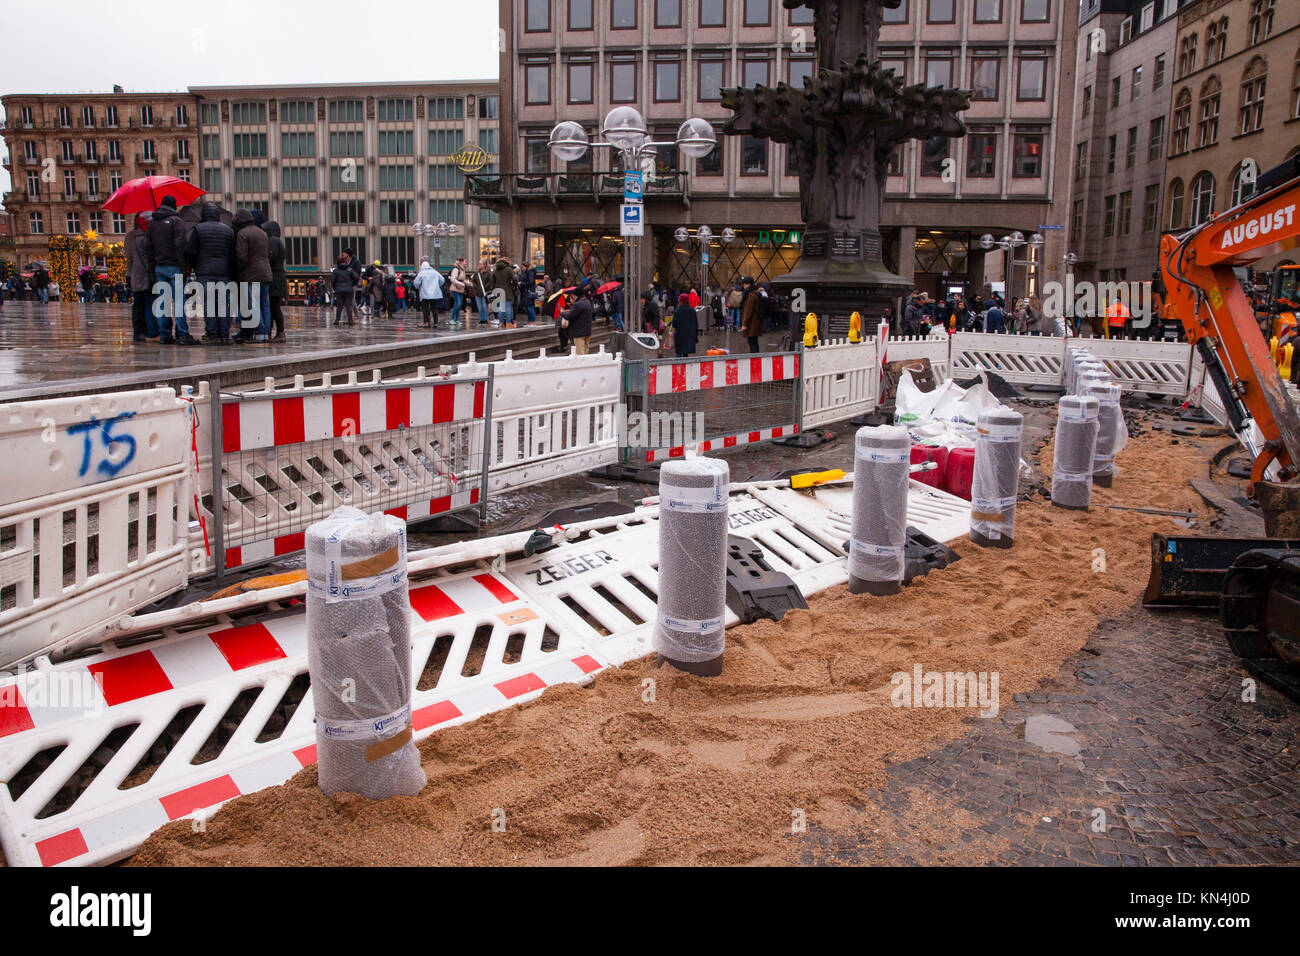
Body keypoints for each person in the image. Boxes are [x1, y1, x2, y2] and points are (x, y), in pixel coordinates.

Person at [144, 195, 196, 344]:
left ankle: (164, 334)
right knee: (179, 301)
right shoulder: (176, 222)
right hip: (174, 266)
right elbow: (180, 245)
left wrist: (151, 268)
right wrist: (184, 267)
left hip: (159, 267)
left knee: (162, 302)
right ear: (174, 206)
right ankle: (183, 334)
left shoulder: (152, 223)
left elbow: (148, 248)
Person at [186, 201, 237, 343]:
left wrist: (195, 265)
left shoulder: (198, 229)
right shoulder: (228, 230)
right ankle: (224, 334)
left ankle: (212, 334)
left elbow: (190, 251)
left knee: (209, 304)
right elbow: (233, 253)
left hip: (204, 272)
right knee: (223, 304)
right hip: (224, 273)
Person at [233, 208, 272, 343]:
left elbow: (242, 257)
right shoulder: (262, 233)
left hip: (252, 274)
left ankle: (259, 332)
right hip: (266, 273)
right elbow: (269, 253)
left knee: (254, 304)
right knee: (264, 304)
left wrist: (240, 270)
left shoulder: (242, 234)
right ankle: (266, 333)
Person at [125, 212, 155, 342]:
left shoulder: (130, 236)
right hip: (147, 274)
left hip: (133, 274)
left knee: (137, 304)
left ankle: (138, 331)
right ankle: (150, 330)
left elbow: (128, 256)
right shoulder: (150, 235)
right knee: (149, 302)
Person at [262, 219, 288, 341]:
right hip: (278, 277)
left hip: (275, 278)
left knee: (274, 307)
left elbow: (271, 257)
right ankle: (278, 332)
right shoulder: (277, 240)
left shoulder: (273, 240)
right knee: (274, 306)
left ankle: (280, 332)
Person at [414, 256, 445, 328]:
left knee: (425, 308)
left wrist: (419, 287)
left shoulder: (421, 273)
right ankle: (436, 323)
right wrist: (437, 286)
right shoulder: (434, 272)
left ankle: (426, 322)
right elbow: (442, 280)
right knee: (434, 308)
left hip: (425, 293)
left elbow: (416, 283)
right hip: (434, 293)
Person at [562, 286, 594, 355]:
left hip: (579, 332)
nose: (573, 296)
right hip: (587, 331)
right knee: (586, 352)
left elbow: (569, 316)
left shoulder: (578, 304)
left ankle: (583, 365)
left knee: (580, 354)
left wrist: (563, 313)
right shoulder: (587, 301)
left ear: (576, 295)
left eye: (573, 295)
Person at [740, 276, 766, 353]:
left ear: (748, 284)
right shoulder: (757, 293)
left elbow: (748, 311)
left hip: (752, 323)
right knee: (754, 341)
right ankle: (756, 357)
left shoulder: (751, 295)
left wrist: (744, 324)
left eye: (744, 284)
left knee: (752, 342)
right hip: (757, 321)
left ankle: (754, 359)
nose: (743, 286)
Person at [331, 254, 358, 327]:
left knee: (339, 306)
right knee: (348, 306)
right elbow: (356, 278)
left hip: (339, 290)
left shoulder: (336, 271)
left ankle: (337, 320)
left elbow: (333, 281)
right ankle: (350, 320)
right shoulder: (350, 269)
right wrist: (352, 285)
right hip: (349, 290)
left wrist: (335, 288)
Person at [492, 256, 517, 326]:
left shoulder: (496, 270)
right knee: (508, 306)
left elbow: (492, 281)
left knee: (501, 307)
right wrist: (514, 285)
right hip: (507, 290)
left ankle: (501, 323)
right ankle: (508, 323)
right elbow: (515, 279)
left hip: (498, 290)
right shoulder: (508, 269)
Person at [449, 256, 469, 323]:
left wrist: (467, 283)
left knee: (459, 304)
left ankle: (456, 319)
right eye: (465, 261)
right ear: (461, 262)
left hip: (460, 289)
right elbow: (453, 279)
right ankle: (453, 318)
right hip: (455, 288)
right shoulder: (456, 269)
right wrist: (462, 284)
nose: (466, 263)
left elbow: (462, 279)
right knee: (458, 304)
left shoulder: (462, 269)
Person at [475, 258, 492, 325]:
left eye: (480, 264)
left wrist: (484, 287)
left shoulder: (488, 273)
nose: (479, 265)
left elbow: (490, 282)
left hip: (485, 292)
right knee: (480, 307)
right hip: (478, 292)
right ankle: (482, 319)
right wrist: (476, 286)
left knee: (485, 306)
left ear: (484, 265)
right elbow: (473, 281)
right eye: (479, 263)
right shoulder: (477, 273)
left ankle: (486, 319)